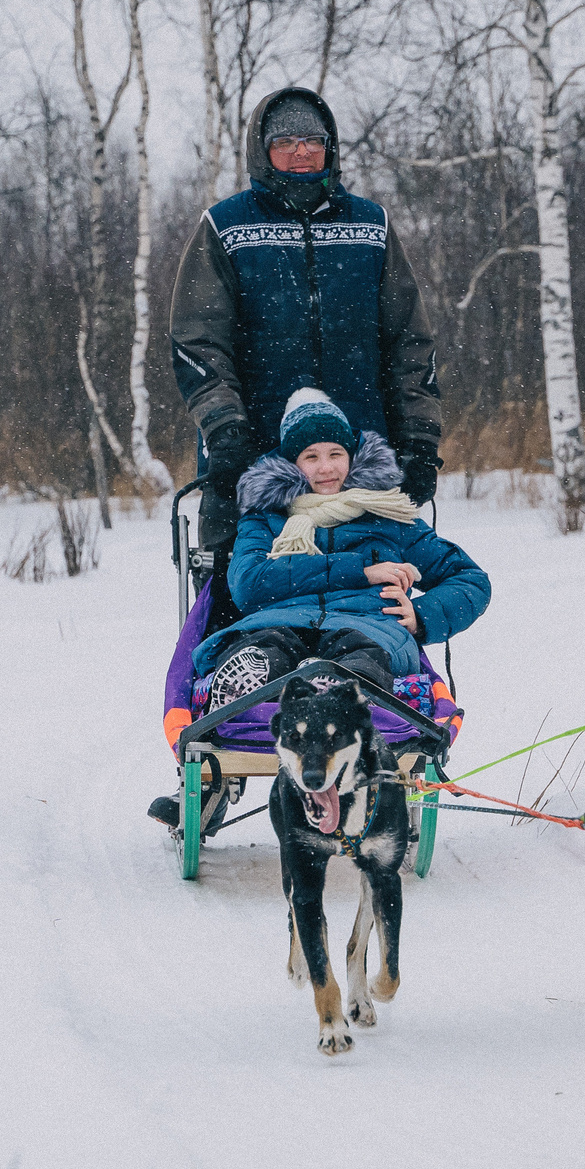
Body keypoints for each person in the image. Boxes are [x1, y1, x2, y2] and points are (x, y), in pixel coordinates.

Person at [169, 86, 444, 559]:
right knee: (250, 597)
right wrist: (224, 427)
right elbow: (197, 342)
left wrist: (419, 438)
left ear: (329, 148)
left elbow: (409, 344)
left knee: (367, 592)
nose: (300, 151)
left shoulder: (370, 226)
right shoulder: (225, 227)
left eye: (312, 140)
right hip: (254, 454)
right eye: (285, 141)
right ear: (263, 151)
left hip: (359, 458)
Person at [195, 388, 489, 709]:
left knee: (362, 653)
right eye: (311, 456)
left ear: (351, 456)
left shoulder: (387, 515)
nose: (326, 468)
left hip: (367, 626)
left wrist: (422, 616)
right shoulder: (266, 517)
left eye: (335, 453)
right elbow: (248, 584)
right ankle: (248, 687)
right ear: (293, 463)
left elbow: (470, 578)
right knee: (267, 647)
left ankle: (342, 692)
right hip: (278, 622)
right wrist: (360, 571)